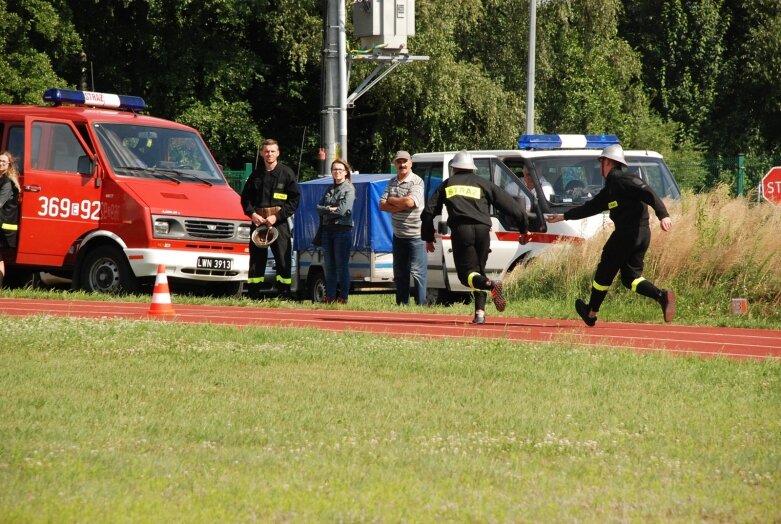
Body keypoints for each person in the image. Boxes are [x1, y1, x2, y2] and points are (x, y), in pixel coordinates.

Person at [546, 143, 675, 326]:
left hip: (627, 235)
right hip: (641, 236)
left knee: (604, 271)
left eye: (601, 162)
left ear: (607, 162)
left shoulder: (624, 180)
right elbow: (590, 208)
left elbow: (648, 192)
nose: (600, 167)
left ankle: (591, 313)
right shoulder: (610, 189)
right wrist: (563, 216)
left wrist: (663, 215)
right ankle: (661, 297)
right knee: (630, 278)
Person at [421, 151, 530, 324]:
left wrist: (428, 237)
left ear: (454, 168)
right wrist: (524, 230)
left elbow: (428, 212)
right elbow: (514, 208)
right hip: (483, 231)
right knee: (478, 271)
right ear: (472, 168)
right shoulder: (484, 184)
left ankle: (490, 285)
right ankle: (480, 313)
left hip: (462, 231)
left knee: (466, 276)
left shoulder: (447, 185)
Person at [240, 139, 300, 299]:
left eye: (272, 151)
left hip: (278, 223)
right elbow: (245, 199)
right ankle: (253, 295)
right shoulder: (256, 175)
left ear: (278, 153)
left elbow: (294, 200)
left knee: (282, 258)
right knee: (256, 260)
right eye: (266, 151)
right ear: (261, 153)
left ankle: (284, 294)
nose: (269, 154)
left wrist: (277, 216)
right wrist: (252, 214)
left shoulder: (287, 173)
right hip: (258, 223)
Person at [380, 150, 427, 306]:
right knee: (400, 273)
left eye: (405, 161)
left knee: (418, 274)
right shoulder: (392, 181)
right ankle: (402, 305)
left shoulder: (417, 181)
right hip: (398, 235)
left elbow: (410, 203)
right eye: (399, 162)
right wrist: (399, 204)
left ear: (410, 163)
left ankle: (421, 306)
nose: (402, 165)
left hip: (416, 235)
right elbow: (381, 205)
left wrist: (392, 201)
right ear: (395, 164)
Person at [317, 159, 356, 304]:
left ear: (346, 172)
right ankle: (330, 297)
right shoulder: (329, 189)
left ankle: (343, 297)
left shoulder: (349, 189)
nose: (337, 172)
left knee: (341, 266)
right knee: (329, 266)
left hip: (342, 231)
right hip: (328, 231)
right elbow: (318, 208)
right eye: (334, 169)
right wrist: (329, 209)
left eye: (340, 169)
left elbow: (342, 210)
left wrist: (327, 210)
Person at [0, 151, 20, 289]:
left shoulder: (6, 182)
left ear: (9, 165)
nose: (1, 164)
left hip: (3, 226)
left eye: (3, 162)